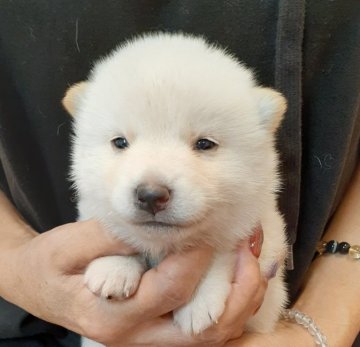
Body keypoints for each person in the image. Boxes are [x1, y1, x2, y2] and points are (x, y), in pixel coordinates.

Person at [0, 0, 359, 346]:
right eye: (121, 142)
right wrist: (16, 263)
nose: (152, 187)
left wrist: (316, 329)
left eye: (204, 144)